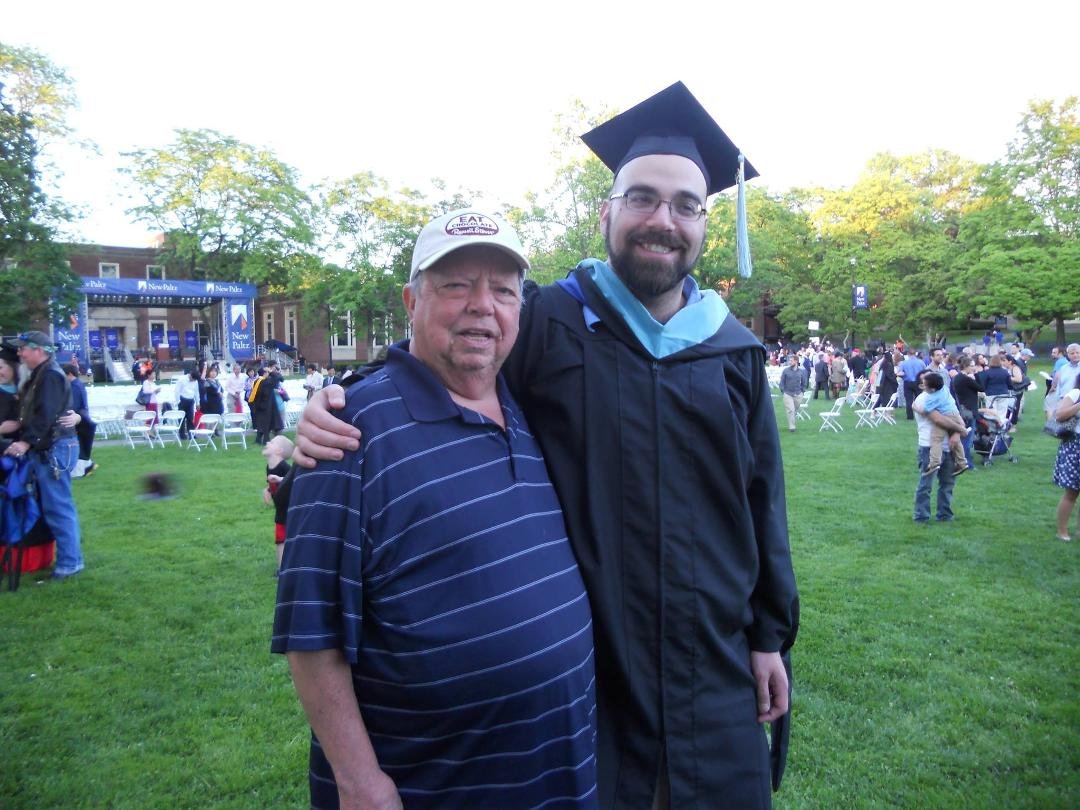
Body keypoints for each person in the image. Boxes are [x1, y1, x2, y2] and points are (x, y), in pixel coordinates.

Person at [295, 83, 799, 808]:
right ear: (608, 213)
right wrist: (338, 400)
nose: (662, 220)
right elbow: (449, 354)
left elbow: (762, 502)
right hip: (598, 671)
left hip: (713, 664)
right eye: (642, 198)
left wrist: (767, 635)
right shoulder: (549, 322)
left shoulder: (734, 351)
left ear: (703, 225)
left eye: (686, 205)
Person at [273, 210, 598, 809]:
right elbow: (312, 629)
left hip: (555, 777)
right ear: (411, 301)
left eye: (503, 291)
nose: (483, 306)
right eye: (456, 285)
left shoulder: (526, 408)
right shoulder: (348, 433)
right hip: (433, 784)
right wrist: (358, 781)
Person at [2, 332, 84, 580]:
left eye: (23, 349)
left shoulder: (49, 376)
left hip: (54, 448)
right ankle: (70, 561)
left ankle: (70, 564)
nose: (20, 353)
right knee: (57, 506)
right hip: (53, 446)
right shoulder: (43, 374)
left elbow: (45, 415)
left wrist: (25, 443)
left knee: (58, 507)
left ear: (39, 350)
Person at [912, 371, 957, 523]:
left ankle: (945, 515)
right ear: (922, 386)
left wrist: (956, 434)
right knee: (926, 484)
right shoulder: (922, 400)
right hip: (929, 446)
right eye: (925, 380)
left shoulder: (944, 395)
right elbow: (939, 420)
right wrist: (960, 429)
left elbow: (955, 414)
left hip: (948, 445)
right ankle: (921, 516)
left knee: (947, 483)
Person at [918, 371, 970, 478]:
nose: (923, 386)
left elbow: (926, 411)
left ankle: (934, 463)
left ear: (932, 389)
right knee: (957, 441)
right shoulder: (945, 389)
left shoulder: (931, 398)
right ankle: (962, 462)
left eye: (925, 385)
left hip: (946, 416)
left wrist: (915, 407)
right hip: (955, 414)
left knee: (936, 439)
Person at [261, 434, 294, 569]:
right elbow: (272, 483)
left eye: (272, 442)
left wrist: (280, 479)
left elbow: (294, 480)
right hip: (280, 511)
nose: (268, 443)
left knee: (287, 540)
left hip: (290, 511)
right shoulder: (269, 467)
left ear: (279, 451)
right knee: (280, 540)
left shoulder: (284, 467)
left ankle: (287, 568)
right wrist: (268, 490)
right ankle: (281, 569)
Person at [1052, 384, 1080, 542]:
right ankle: (1062, 531)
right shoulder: (1076, 393)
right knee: (1072, 492)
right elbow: (1059, 415)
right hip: (1075, 447)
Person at [62, 364, 97, 478]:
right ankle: (88, 465)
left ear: (69, 374)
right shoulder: (78, 384)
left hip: (78, 419)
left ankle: (83, 468)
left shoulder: (75, 387)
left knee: (79, 444)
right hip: (82, 418)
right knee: (81, 444)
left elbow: (74, 405)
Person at [778, 353, 805, 432]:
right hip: (788, 394)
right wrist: (783, 391)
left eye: (791, 360)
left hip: (798, 394)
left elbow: (804, 382)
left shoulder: (801, 371)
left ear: (796, 361)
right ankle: (792, 427)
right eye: (789, 360)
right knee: (791, 410)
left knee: (794, 410)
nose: (790, 362)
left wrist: (802, 392)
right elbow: (782, 382)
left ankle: (792, 422)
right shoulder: (785, 371)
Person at [898, 347, 926, 420]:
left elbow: (900, 373)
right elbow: (925, 372)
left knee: (909, 400)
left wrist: (903, 375)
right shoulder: (921, 362)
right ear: (915, 354)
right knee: (920, 399)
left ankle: (910, 416)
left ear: (908, 354)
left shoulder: (904, 363)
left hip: (908, 382)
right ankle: (920, 415)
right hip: (919, 382)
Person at [175, 364, 200, 440]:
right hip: (182, 400)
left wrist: (198, 403)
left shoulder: (195, 381)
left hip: (191, 401)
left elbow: (196, 392)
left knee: (190, 418)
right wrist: (178, 401)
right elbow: (177, 391)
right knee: (182, 418)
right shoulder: (182, 379)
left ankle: (191, 434)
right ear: (190, 375)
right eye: (193, 379)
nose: (193, 381)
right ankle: (182, 435)